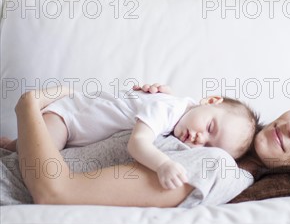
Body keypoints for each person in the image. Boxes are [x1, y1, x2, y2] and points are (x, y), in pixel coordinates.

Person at [6, 84, 290, 208]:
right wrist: (157, 107)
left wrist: (28, 107)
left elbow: (55, 190)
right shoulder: (220, 133)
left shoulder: (218, 169)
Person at [0, 85, 258, 190]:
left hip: (74, 129)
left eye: (209, 145)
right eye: (210, 127)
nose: (200, 138)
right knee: (38, 163)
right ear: (211, 100)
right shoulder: (168, 108)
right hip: (66, 117)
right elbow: (138, 144)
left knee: (16, 150)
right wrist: (163, 165)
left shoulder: (179, 110)